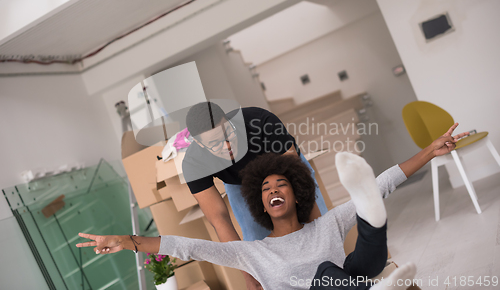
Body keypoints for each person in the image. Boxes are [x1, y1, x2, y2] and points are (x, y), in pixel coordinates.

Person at [76, 124, 468, 290]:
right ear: (260, 204)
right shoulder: (252, 253)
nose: (274, 190)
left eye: (283, 183)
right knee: (328, 273)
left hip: (345, 280)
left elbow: (384, 183)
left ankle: (372, 257)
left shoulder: (325, 227)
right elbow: (188, 247)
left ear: (297, 194)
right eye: (266, 188)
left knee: (360, 226)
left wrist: (430, 151)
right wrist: (126, 240)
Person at [182, 102, 329, 288]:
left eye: (228, 134)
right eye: (215, 144)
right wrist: (249, 274)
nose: (226, 145)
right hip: (240, 183)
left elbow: (299, 183)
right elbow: (219, 220)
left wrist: (321, 245)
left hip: (285, 170)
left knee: (317, 233)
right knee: (259, 245)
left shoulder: (260, 121)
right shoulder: (194, 163)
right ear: (199, 143)